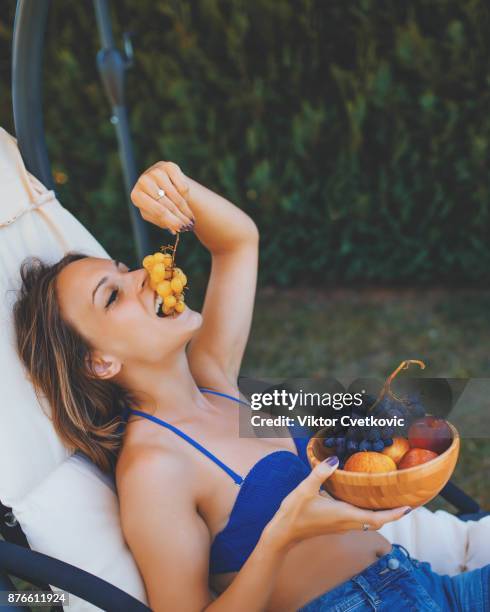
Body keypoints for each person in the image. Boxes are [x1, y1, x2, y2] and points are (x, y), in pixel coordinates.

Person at [13, 161, 489, 612]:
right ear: (100, 362)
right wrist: (280, 536)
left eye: (123, 267)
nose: (142, 275)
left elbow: (238, 241)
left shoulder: (214, 378)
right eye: (112, 296)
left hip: (421, 582)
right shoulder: (154, 468)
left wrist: (172, 184)